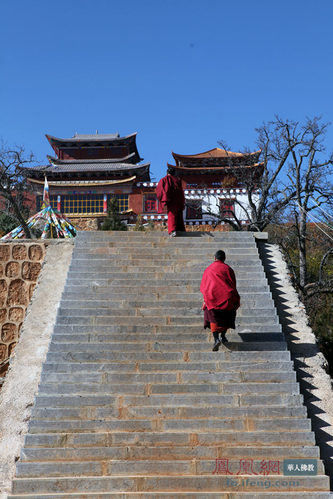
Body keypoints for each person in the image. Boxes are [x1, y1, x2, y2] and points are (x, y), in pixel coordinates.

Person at [200, 250, 240, 351]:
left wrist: (206, 299)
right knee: (228, 313)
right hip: (227, 298)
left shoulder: (208, 270)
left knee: (210, 312)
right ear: (224, 258)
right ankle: (223, 335)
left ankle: (216, 339)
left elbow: (205, 286)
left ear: (215, 258)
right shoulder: (228, 269)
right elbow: (233, 284)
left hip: (212, 298)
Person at [156, 167, 185, 236]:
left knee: (171, 215)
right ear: (174, 173)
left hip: (171, 200)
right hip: (178, 200)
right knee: (178, 215)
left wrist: (164, 199)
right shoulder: (177, 180)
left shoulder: (164, 179)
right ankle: (180, 230)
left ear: (167, 173)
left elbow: (160, 190)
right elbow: (181, 192)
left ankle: (172, 231)